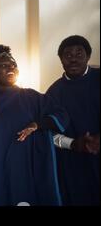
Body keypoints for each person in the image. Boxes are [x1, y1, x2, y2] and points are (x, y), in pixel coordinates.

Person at [0, 44, 69, 206]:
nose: (11, 67)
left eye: (13, 64)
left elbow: (61, 115)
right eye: (4, 65)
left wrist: (37, 124)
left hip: (27, 168)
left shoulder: (32, 97)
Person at [46, 35, 100, 205]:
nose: (74, 59)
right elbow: (48, 135)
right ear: (61, 59)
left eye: (79, 54)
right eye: (68, 55)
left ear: (88, 56)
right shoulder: (53, 94)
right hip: (73, 167)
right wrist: (73, 143)